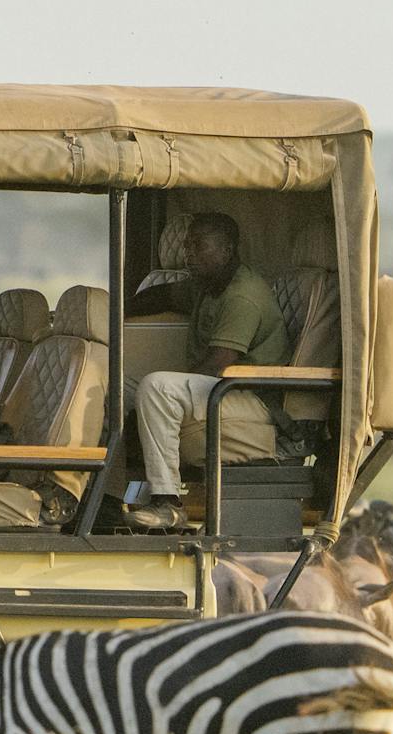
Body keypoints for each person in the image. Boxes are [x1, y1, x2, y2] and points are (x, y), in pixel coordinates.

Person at [124, 213, 293, 529]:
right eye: (187, 245)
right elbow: (162, 295)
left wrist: (153, 405)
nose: (188, 253)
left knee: (157, 388)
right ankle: (109, 494)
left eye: (198, 246)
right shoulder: (206, 284)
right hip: (221, 389)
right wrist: (119, 308)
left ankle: (168, 502)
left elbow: (218, 365)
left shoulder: (243, 295)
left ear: (227, 250)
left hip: (250, 397)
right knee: (120, 387)